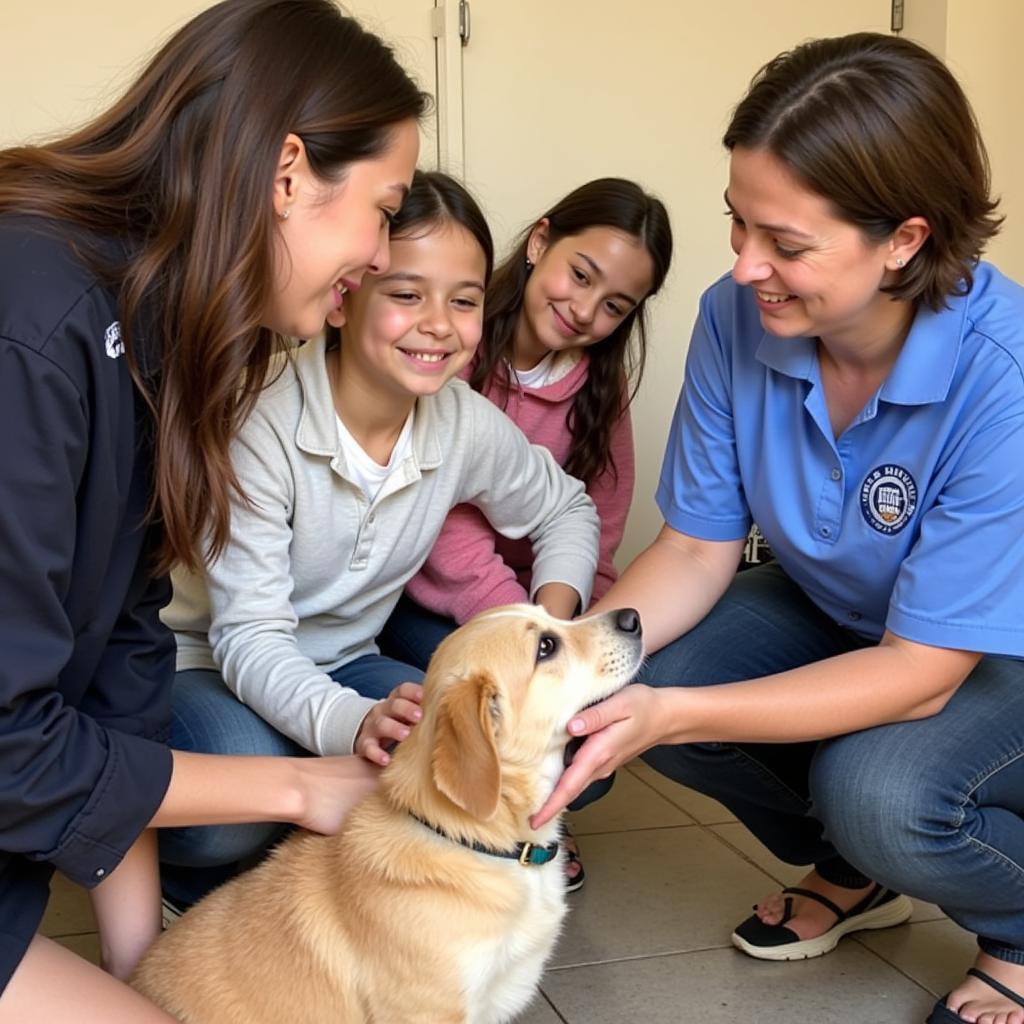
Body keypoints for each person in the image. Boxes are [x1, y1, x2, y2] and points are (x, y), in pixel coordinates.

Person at [531, 33, 1024, 1024]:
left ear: (904, 240)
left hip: (977, 654)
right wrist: (561, 669)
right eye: (737, 224)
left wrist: (670, 719)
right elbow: (695, 549)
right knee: (643, 666)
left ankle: (1012, 927)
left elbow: (921, 670)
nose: (746, 265)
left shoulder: (999, 373)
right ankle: (856, 870)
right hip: (844, 616)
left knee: (877, 787)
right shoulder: (734, 316)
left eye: (786, 245)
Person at [0, 0, 427, 1018]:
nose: (379, 255)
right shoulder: (33, 317)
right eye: (383, 206)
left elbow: (120, 657)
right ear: (288, 174)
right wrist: (301, 785)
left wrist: (146, 967)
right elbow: (11, 743)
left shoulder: (155, 326)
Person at [160, 168, 601, 904]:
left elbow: (567, 511)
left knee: (556, 736)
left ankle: (353, 872)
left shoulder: (460, 422)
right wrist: (351, 724)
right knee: (232, 800)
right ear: (344, 298)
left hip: (345, 663)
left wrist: (545, 631)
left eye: (463, 301)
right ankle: (195, 883)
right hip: (204, 663)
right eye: (405, 294)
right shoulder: (259, 418)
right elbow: (249, 639)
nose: (439, 324)